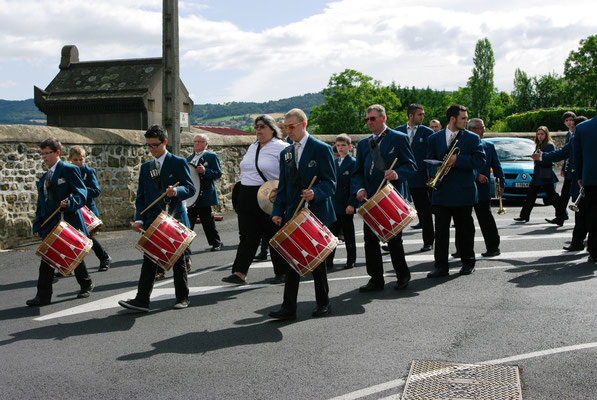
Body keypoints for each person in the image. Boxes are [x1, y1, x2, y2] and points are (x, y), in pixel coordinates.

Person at [118, 125, 195, 312]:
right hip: (153, 220)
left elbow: (190, 188)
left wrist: (176, 191)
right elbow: (141, 197)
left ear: (165, 142)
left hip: (174, 219)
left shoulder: (178, 162)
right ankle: (141, 300)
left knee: (178, 261)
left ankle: (182, 297)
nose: (151, 149)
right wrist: (139, 219)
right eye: (149, 146)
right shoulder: (146, 167)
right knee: (149, 260)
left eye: (155, 145)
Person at [269, 108, 336, 320]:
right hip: (293, 213)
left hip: (315, 212)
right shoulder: (286, 153)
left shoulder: (321, 148)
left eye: (291, 126)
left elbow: (331, 183)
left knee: (318, 262)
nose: (288, 131)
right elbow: (283, 187)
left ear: (303, 125)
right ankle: (288, 308)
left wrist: (315, 192)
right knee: (291, 260)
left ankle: (323, 303)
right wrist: (277, 211)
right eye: (285, 127)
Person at [352, 104, 417, 291]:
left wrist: (396, 173)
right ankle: (376, 279)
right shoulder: (364, 144)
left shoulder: (399, 138)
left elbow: (411, 166)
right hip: (370, 200)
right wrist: (360, 188)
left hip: (391, 198)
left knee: (394, 241)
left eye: (372, 118)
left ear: (383, 118)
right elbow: (357, 173)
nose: (369, 122)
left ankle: (402, 275)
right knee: (370, 241)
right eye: (367, 119)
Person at [221, 115, 289, 285]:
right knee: (246, 235)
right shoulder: (253, 147)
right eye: (256, 127)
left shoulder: (282, 148)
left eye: (262, 126)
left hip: (268, 196)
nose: (258, 130)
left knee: (273, 234)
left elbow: (288, 175)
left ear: (272, 129)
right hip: (247, 194)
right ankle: (239, 273)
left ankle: (282, 272)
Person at [27, 137, 94, 306]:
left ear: (58, 153)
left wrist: (70, 203)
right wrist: (37, 224)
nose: (44, 157)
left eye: (47, 153)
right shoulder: (44, 178)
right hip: (50, 224)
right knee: (49, 258)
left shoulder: (69, 169)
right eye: (42, 153)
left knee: (72, 255)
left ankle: (84, 284)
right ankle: (44, 296)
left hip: (68, 220)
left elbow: (81, 194)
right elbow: (41, 204)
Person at [426, 105, 486, 278]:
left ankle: (468, 263)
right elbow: (430, 161)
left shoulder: (473, 138)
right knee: (441, 232)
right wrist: (432, 175)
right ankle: (440, 266)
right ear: (452, 119)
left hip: (463, 192)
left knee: (465, 230)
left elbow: (480, 160)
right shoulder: (434, 138)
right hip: (441, 191)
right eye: (463, 118)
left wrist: (457, 159)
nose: (466, 121)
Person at [538, 116, 588, 250]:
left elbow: (562, 153)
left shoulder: (578, 138)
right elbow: (563, 152)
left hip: (583, 180)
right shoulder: (575, 137)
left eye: (573, 125)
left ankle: (580, 243)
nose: (570, 126)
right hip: (581, 179)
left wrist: (543, 156)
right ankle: (579, 242)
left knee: (583, 214)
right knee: (583, 214)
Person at [395, 104, 434, 251]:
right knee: (397, 213)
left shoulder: (428, 133)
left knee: (424, 212)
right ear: (410, 115)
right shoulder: (397, 132)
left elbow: (432, 156)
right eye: (420, 115)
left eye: (423, 114)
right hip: (401, 179)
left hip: (420, 178)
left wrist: (432, 176)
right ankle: (395, 241)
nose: (423, 117)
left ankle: (428, 241)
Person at [68, 146, 112, 271]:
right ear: (70, 159)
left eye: (81, 159)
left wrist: (81, 190)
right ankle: (71, 265)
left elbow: (96, 191)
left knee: (87, 237)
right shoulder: (68, 172)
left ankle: (104, 257)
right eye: (75, 160)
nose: (78, 162)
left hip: (87, 210)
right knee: (73, 238)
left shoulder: (88, 171)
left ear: (84, 159)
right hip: (73, 209)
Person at [468, 118, 503, 257]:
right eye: (480, 128)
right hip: (466, 187)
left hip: (482, 189)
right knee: (464, 221)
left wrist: (502, 184)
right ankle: (462, 249)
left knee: (486, 220)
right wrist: (476, 175)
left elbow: (497, 166)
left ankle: (493, 247)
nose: (483, 131)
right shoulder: (463, 145)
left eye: (483, 127)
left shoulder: (488, 146)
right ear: (471, 130)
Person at [325, 133, 358, 271]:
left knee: (348, 234)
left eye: (343, 145)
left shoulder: (353, 163)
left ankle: (351, 259)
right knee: (332, 234)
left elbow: (354, 185)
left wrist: (352, 203)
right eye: (338, 145)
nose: (340, 148)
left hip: (346, 204)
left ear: (350, 146)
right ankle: (329, 260)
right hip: (334, 204)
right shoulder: (333, 162)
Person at [514, 126, 559, 223]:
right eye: (538, 134)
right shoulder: (539, 144)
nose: (540, 136)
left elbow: (550, 160)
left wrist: (537, 158)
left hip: (545, 174)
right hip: (538, 174)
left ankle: (563, 214)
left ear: (546, 135)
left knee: (552, 196)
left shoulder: (549, 145)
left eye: (542, 134)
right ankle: (524, 216)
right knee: (531, 195)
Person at [186, 134, 223, 252]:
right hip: (192, 195)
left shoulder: (211, 156)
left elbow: (217, 173)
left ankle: (216, 242)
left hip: (205, 194)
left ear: (206, 144)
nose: (196, 143)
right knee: (189, 222)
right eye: (195, 141)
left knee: (207, 221)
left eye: (199, 141)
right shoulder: (189, 159)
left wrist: (205, 171)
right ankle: (185, 246)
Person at [573, 108, 597, 263]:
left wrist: (580, 176)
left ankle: (594, 251)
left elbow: (577, 156)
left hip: (591, 178)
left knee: (593, 215)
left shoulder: (582, 128)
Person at [545, 111, 576, 226]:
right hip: (569, 169)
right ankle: (560, 217)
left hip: (576, 171)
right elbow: (567, 153)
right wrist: (564, 167)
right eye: (567, 121)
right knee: (564, 194)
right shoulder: (569, 134)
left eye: (571, 120)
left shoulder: (577, 132)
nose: (569, 123)